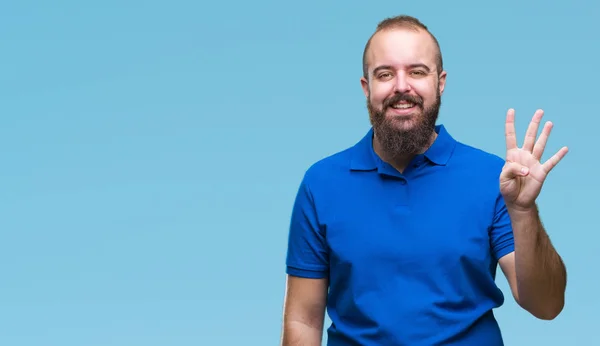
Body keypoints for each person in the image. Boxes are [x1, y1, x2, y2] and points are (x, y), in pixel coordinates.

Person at [280, 15, 568, 346]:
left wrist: (523, 210)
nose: (402, 86)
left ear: (440, 82)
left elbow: (546, 305)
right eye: (385, 74)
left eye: (417, 72)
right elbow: (303, 319)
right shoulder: (321, 184)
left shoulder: (494, 178)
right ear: (366, 87)